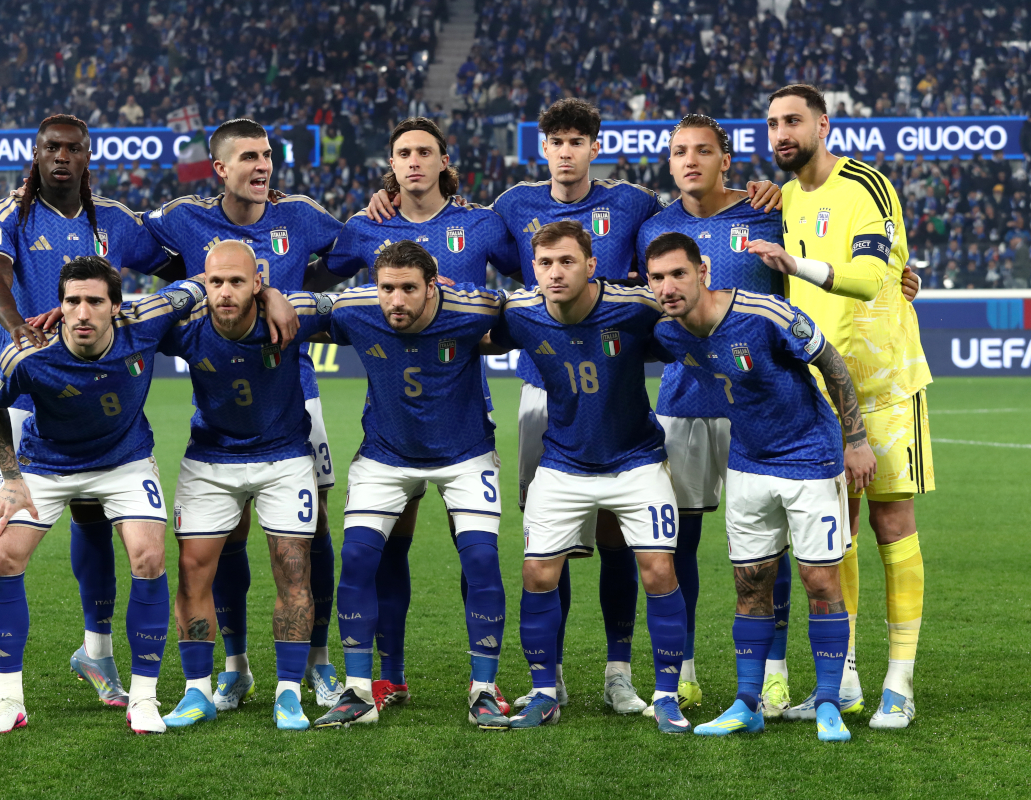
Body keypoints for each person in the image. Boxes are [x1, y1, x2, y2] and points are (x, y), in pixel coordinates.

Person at [632, 114, 923, 718]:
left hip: (764, 408)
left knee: (776, 544)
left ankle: (775, 675)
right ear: (668, 161)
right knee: (682, 539)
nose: (690, 161)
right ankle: (683, 672)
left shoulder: (769, 210)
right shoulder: (654, 225)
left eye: (703, 150)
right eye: (679, 151)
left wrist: (900, 278)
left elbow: (826, 257)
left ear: (726, 160)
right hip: (686, 401)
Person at [306, 116, 519, 715]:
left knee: (476, 554)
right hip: (390, 432)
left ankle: (483, 683)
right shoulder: (366, 226)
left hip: (463, 418)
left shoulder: (482, 223)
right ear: (391, 164)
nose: (414, 161)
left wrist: (491, 334)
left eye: (426, 151)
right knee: (380, 553)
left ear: (445, 159)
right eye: (403, 152)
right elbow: (317, 283)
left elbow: (533, 286)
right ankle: (382, 680)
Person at [0, 114, 173, 716]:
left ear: (89, 156)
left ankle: (97, 652)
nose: (61, 157)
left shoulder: (110, 220)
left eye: (73, 149)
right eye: (51, 148)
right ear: (36, 154)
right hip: (28, 401)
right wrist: (18, 333)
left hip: (94, 403)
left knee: (95, 525)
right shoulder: (9, 212)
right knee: (3, 527)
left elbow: (174, 263)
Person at [142, 118, 345, 708]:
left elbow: (353, 251)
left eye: (268, 156)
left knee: (312, 534)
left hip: (296, 393)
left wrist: (286, 289)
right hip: (223, 394)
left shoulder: (302, 214)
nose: (262, 167)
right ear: (220, 169)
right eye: (249, 157)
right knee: (220, 537)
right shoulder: (184, 217)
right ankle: (233, 665)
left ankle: (318, 660)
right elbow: (130, 242)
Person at [749, 84, 931, 729]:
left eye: (792, 120)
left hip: (883, 384)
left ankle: (900, 684)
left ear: (823, 124)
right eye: (772, 124)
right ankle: (846, 677)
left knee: (891, 525)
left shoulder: (866, 184)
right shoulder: (789, 196)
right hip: (823, 392)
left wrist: (795, 262)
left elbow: (873, 274)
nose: (780, 133)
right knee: (839, 532)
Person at [645, 232, 876, 742]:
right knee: (750, 582)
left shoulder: (764, 312)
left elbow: (831, 362)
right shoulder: (667, 331)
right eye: (658, 278)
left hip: (810, 458)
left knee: (821, 583)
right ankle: (747, 702)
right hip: (747, 462)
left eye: (678, 273)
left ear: (703, 271)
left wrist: (855, 439)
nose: (668, 286)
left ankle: (829, 703)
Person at [0, 257, 205, 735]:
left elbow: (201, 285)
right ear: (59, 307)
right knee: (2, 557)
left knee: (148, 556)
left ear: (115, 307)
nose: (82, 313)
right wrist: (12, 478)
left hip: (124, 461)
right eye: (72, 301)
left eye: (94, 301)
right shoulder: (29, 353)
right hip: (47, 464)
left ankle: (143, 699)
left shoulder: (146, 322)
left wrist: (264, 292)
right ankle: (9, 701)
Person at [486, 221, 689, 733]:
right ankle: (542, 691)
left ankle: (666, 697)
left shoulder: (635, 307)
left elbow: (692, 308)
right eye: (545, 263)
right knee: (537, 574)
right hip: (563, 463)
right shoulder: (521, 312)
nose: (556, 273)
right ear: (533, 269)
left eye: (567, 262)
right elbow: (471, 325)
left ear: (591, 265)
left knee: (660, 572)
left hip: (636, 459)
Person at [155, 240, 327, 732]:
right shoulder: (186, 329)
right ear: (202, 285)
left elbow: (362, 305)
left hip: (284, 458)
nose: (226, 292)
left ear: (258, 282)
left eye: (237, 281)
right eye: (215, 282)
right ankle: (197, 692)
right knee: (193, 572)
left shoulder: (291, 317)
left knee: (293, 570)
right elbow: (122, 319)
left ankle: (289, 693)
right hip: (211, 459)